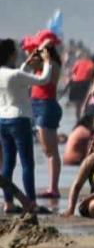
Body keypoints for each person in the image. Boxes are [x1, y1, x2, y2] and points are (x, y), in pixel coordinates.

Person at [0, 38, 53, 214]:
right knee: (27, 164)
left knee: (7, 163)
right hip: (19, 119)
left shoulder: (8, 73)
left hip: (3, 120)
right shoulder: (16, 75)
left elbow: (15, 79)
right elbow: (44, 79)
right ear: (11, 54)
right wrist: (47, 62)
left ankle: (8, 202)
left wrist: (26, 64)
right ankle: (31, 203)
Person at [28, 43, 63, 199]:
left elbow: (45, 76)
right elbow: (29, 64)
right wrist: (35, 53)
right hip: (38, 105)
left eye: (41, 51)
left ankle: (53, 188)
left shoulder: (52, 65)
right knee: (47, 150)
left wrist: (44, 56)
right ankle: (52, 187)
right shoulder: (41, 65)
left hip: (46, 105)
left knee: (51, 150)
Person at [67, 50, 94, 121]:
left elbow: (72, 73)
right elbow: (93, 76)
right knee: (85, 102)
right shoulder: (92, 64)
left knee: (78, 104)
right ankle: (84, 119)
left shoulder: (78, 62)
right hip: (84, 83)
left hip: (75, 83)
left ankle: (78, 119)